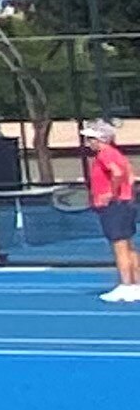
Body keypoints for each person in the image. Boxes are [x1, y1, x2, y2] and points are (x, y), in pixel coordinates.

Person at [87, 120, 138, 304]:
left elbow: (116, 173)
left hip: (115, 205)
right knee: (129, 246)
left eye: (91, 138)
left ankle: (126, 286)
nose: (89, 142)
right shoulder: (118, 154)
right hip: (126, 204)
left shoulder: (104, 154)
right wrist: (126, 195)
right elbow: (130, 177)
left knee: (120, 246)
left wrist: (111, 193)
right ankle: (135, 285)